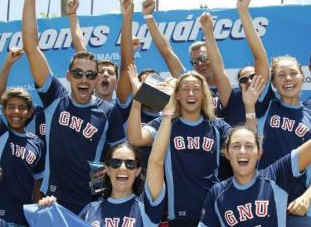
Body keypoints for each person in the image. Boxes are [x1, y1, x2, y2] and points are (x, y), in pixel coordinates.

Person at [22, 0, 126, 214]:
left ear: (96, 79)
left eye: (90, 75)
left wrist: (105, 184)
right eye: (78, 73)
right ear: (68, 76)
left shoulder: (108, 112)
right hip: (52, 200)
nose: (84, 79)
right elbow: (31, 47)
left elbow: (117, 157)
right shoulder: (54, 98)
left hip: (91, 205)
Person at [127, 69, 264, 226]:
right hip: (180, 214)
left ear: (204, 94)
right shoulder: (166, 124)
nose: (191, 93)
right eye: (185, 89)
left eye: (196, 89)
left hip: (215, 211)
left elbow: (248, 144)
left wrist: (249, 107)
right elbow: (135, 138)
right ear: (177, 95)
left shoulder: (217, 126)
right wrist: (137, 99)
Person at [35, 79, 174, 225]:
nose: (122, 167)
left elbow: (156, 161)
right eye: (115, 162)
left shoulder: (146, 207)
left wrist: (167, 114)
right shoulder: (89, 210)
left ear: (138, 170)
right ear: (106, 169)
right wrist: (48, 211)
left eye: (130, 164)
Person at [0, 21, 45, 226]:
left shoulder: (37, 143)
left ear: (30, 112)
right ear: (4, 110)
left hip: (23, 220)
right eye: (11, 106)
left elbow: (37, 181)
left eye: (22, 107)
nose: (16, 111)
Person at [198, 126, 311, 227]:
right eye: (236, 146)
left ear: (259, 153)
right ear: (226, 153)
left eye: (249, 146)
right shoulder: (217, 193)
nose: (242, 151)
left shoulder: (276, 176)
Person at [201, 0, 271, 127]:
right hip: (233, 149)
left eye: (253, 76)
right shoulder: (232, 99)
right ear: (239, 85)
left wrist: (243, 11)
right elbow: (218, 71)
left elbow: (260, 57)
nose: (249, 82)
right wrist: (208, 33)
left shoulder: (263, 95)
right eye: (243, 80)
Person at [256, 55, 311, 225]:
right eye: (281, 74)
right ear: (272, 83)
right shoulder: (265, 106)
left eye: (293, 73)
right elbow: (259, 56)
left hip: (296, 205)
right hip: (263, 201)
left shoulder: (309, 116)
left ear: (302, 77)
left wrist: (307, 197)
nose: (288, 78)